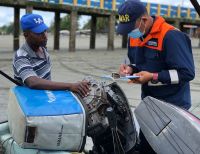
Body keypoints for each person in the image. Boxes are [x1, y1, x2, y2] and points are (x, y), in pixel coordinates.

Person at [117, 0, 195, 153]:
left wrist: (153, 76)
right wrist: (130, 69)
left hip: (173, 108)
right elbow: (136, 63)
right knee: (146, 148)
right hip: (149, 106)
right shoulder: (134, 36)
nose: (129, 33)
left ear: (144, 20)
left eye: (130, 28)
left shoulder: (171, 36)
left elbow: (187, 73)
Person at [13, 13, 90, 97]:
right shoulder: (21, 56)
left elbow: (46, 80)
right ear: (26, 35)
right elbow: (33, 82)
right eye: (39, 33)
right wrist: (70, 86)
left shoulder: (43, 48)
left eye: (45, 31)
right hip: (30, 102)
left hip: (47, 96)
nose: (45, 36)